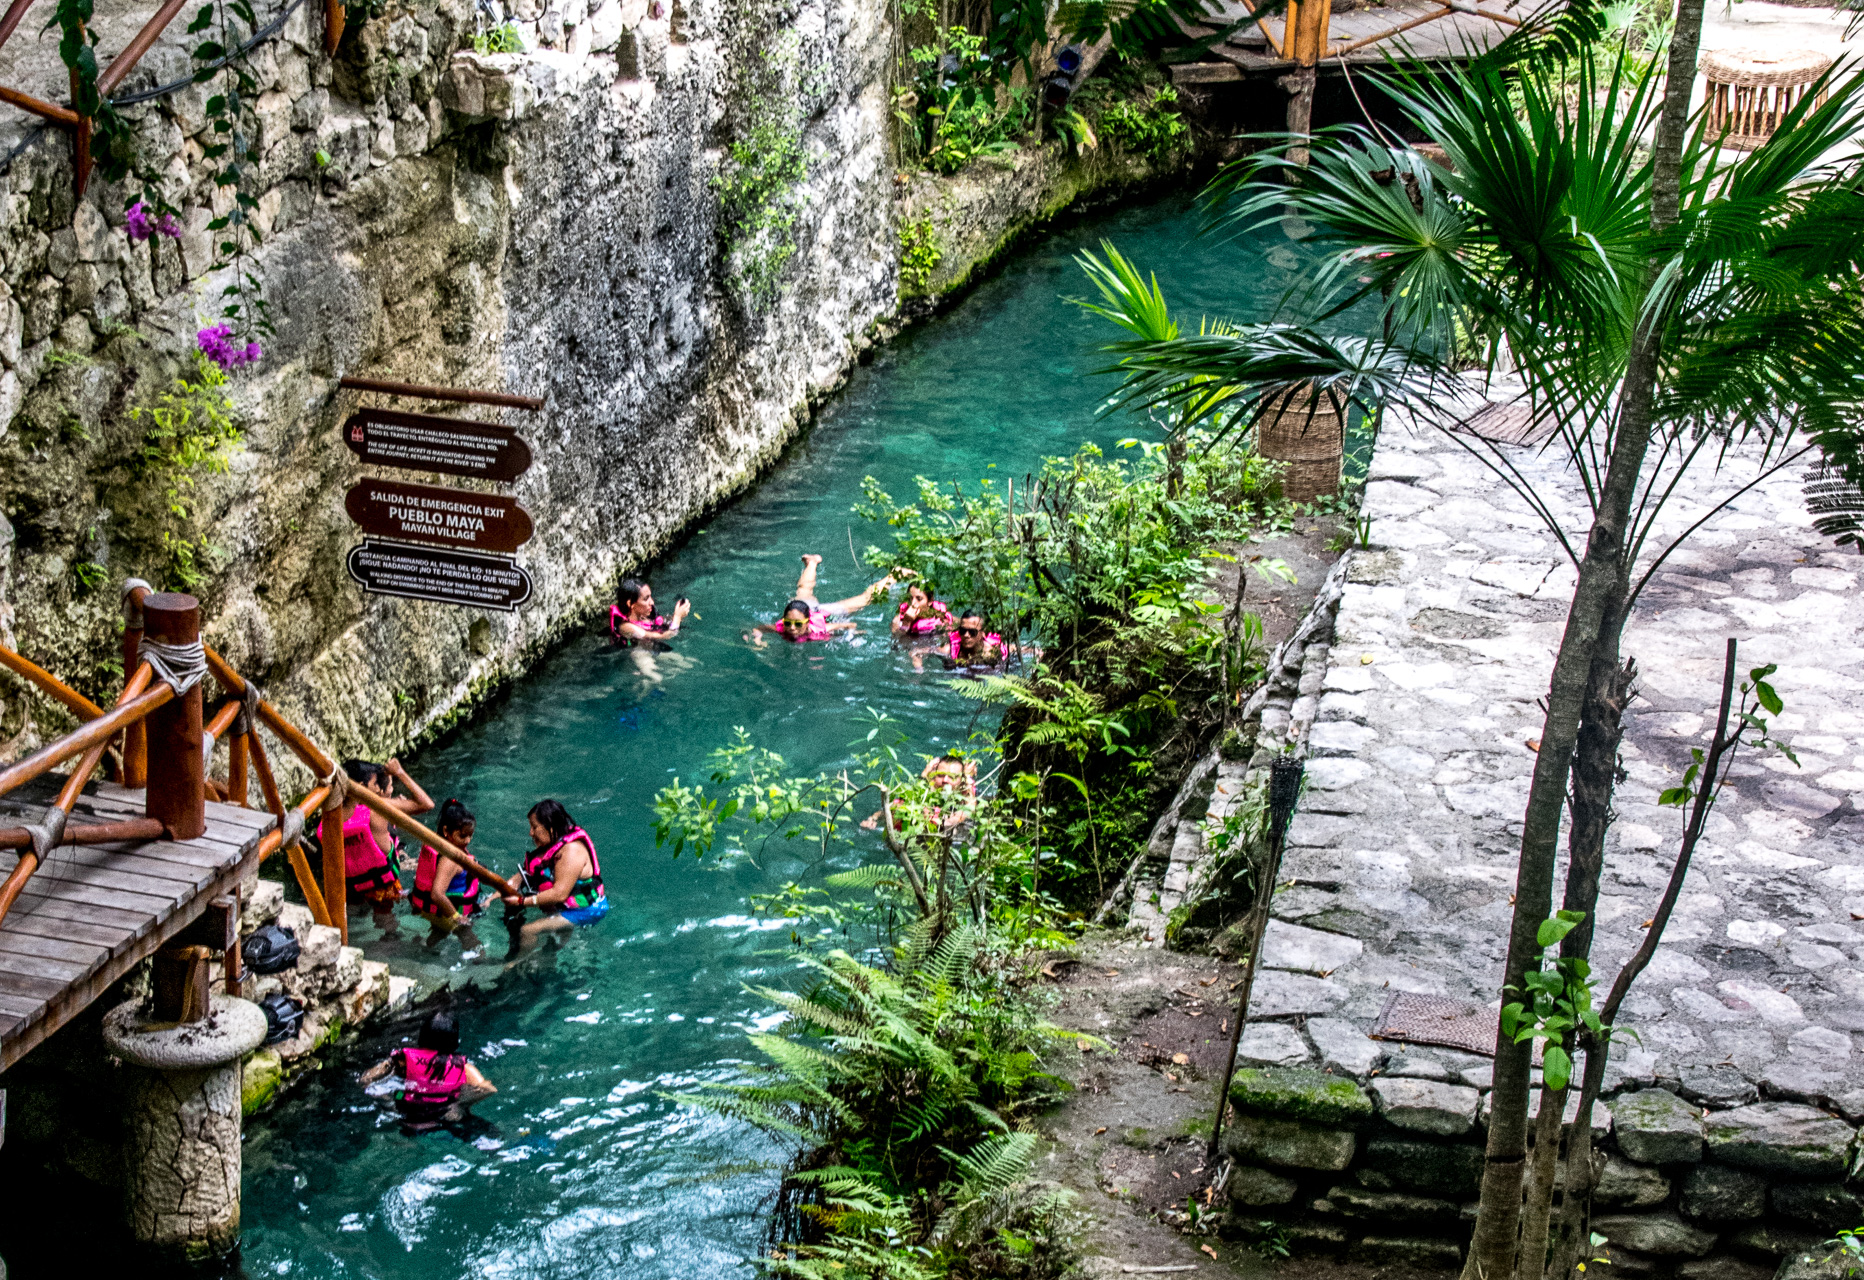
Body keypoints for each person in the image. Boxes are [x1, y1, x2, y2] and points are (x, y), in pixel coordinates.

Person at [359, 1010, 496, 1131]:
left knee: (398, 1094)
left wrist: (388, 1102)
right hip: (445, 1116)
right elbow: (489, 1089)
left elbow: (366, 1079)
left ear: (422, 1036)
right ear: (454, 1041)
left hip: (408, 1116)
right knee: (487, 1130)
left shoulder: (402, 1061)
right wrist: (459, 1104)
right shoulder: (465, 1069)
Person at [341, 758, 433, 937]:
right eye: (375, 783)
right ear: (362, 786)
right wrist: (400, 772)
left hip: (352, 885)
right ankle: (390, 938)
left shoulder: (332, 812)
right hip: (382, 885)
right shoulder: (378, 807)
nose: (378, 788)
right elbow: (426, 804)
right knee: (386, 918)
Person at [502, 799, 607, 955]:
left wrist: (522, 901)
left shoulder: (571, 851)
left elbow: (559, 894)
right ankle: (545, 959)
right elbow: (522, 876)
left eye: (534, 827)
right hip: (567, 907)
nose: (531, 833)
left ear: (550, 827)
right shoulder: (552, 846)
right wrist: (490, 900)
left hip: (587, 910)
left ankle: (519, 963)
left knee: (528, 930)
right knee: (550, 944)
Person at [747, 555, 896, 646]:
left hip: (824, 613)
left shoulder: (820, 630)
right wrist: (758, 640)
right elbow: (758, 628)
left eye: (798, 624)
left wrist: (849, 636)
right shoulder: (780, 628)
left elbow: (850, 624)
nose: (792, 628)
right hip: (804, 607)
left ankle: (895, 575)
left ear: (807, 622)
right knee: (803, 589)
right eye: (788, 623)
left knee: (864, 600)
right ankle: (812, 562)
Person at [409, 798, 488, 957]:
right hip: (447, 912)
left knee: (440, 932)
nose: (467, 841)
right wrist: (457, 917)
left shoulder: (441, 846)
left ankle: (422, 950)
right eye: (462, 836)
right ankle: (483, 966)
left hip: (435, 911)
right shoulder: (450, 860)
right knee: (473, 944)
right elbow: (437, 894)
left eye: (470, 836)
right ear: (446, 831)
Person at [861, 754, 978, 834]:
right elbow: (892, 809)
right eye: (940, 775)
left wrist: (968, 779)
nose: (945, 780)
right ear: (933, 777)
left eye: (952, 777)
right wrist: (873, 819)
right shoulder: (923, 793)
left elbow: (954, 820)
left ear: (961, 781)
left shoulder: (965, 793)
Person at [609, 578, 691, 649]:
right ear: (630, 604)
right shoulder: (626, 627)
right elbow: (665, 636)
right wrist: (677, 616)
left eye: (650, 596)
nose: (652, 602)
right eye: (646, 599)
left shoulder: (644, 616)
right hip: (637, 650)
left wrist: (680, 614)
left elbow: (665, 624)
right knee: (647, 661)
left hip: (650, 646)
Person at [891, 579, 956, 639]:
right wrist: (906, 622)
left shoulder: (944, 620)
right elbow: (897, 640)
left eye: (919, 599)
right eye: (910, 598)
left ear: (930, 601)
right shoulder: (897, 621)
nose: (913, 603)